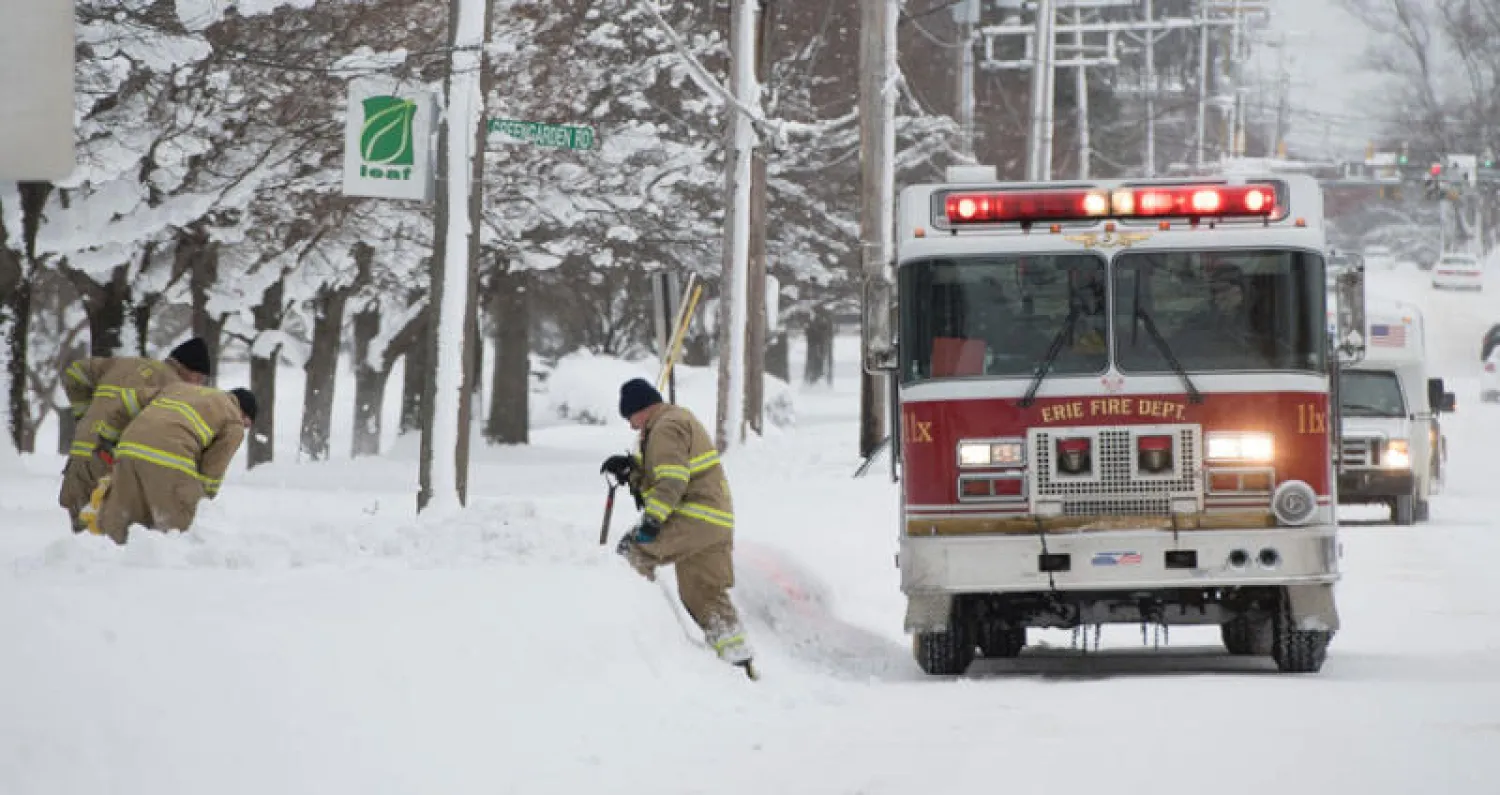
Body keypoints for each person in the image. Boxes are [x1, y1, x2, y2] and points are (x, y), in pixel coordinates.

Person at [600, 378, 755, 675]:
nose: (632, 427)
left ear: (641, 409)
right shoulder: (677, 420)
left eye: (630, 418)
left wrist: (652, 521)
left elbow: (672, 480)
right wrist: (633, 472)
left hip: (693, 518)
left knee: (632, 553)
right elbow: (666, 474)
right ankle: (739, 660)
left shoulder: (666, 427)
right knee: (704, 593)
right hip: (715, 520)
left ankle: (630, 636)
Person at [58, 338, 213, 533]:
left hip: (80, 457)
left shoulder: (121, 364)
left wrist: (83, 415)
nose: (199, 385)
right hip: (109, 462)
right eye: (200, 379)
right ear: (190, 371)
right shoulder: (174, 388)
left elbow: (74, 373)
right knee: (111, 537)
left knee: (82, 536)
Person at [94, 384, 256, 545]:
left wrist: (108, 437)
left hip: (128, 450)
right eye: (247, 425)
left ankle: (106, 561)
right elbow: (214, 465)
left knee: (119, 526)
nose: (244, 428)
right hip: (171, 458)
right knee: (182, 533)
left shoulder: (179, 388)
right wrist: (204, 499)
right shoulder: (234, 420)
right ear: (245, 415)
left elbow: (129, 401)